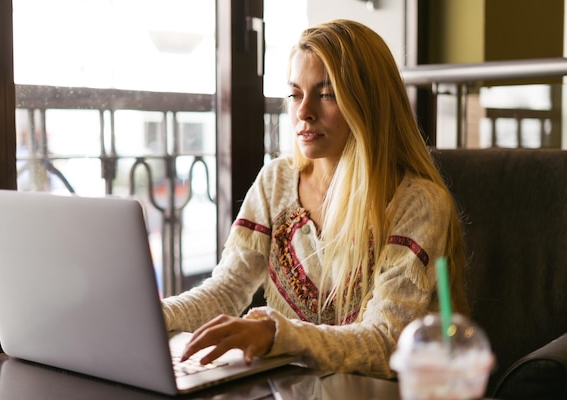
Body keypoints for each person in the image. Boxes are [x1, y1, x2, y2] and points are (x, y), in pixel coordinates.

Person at [161, 18, 469, 379]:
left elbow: (385, 343)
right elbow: (227, 290)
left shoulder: (417, 203)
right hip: (296, 393)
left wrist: (278, 334)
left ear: (369, 101)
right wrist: (152, 314)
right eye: (295, 94)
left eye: (327, 94)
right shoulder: (276, 181)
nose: (303, 112)